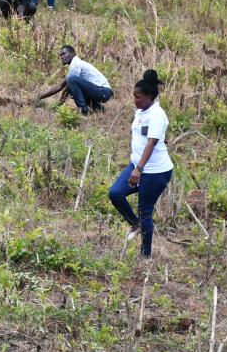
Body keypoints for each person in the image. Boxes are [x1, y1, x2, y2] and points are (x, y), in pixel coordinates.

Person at [108, 69, 172, 259]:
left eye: (138, 97)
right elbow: (146, 137)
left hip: (154, 172)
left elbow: (151, 144)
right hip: (137, 165)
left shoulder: (157, 115)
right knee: (116, 193)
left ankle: (145, 256)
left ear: (149, 97)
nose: (134, 100)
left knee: (145, 210)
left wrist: (139, 169)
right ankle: (136, 224)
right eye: (134, 96)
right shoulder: (141, 111)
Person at [35, 45, 113, 115]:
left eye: (63, 54)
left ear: (72, 53)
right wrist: (39, 97)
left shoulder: (75, 63)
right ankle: (98, 109)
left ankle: (84, 111)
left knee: (71, 81)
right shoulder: (75, 66)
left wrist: (57, 105)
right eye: (60, 56)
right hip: (102, 91)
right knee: (73, 86)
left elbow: (66, 88)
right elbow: (60, 86)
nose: (61, 57)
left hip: (103, 91)